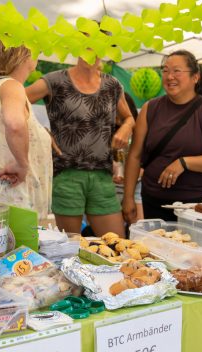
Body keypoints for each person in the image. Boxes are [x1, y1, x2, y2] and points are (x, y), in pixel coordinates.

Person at [26, 51, 134, 237]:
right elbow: (15, 101)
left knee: (117, 246)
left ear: (105, 47)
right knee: (68, 249)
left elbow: (130, 117)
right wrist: (39, 131)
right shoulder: (54, 80)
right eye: (84, 43)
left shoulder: (112, 85)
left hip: (102, 175)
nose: (89, 50)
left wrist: (126, 127)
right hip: (66, 175)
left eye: (95, 45)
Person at [122, 50, 202, 222]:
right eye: (165, 71)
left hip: (194, 206)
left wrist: (184, 163)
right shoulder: (149, 108)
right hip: (153, 200)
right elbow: (134, 155)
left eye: (177, 71)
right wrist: (128, 197)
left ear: (195, 77)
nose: (170, 76)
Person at [0, 35, 52, 219]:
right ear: (23, 53)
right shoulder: (12, 86)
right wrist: (22, 164)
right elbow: (14, 123)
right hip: (13, 204)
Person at [112, 93, 144, 222]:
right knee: (115, 230)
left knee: (138, 224)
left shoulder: (138, 132)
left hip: (137, 184)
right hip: (113, 186)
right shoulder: (107, 133)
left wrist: (140, 171)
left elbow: (143, 159)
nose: (118, 119)